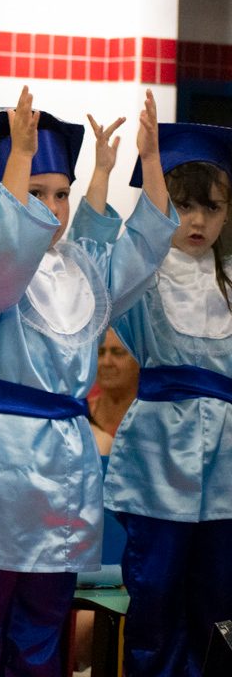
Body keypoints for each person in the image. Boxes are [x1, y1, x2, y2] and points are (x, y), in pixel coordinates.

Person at [0, 88, 177, 677]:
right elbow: (13, 243)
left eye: (61, 194)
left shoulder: (84, 272)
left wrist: (150, 166)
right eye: (35, 194)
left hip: (65, 466)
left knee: (45, 634)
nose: (52, 208)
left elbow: (143, 247)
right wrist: (17, 156)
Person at [91, 120, 232, 677]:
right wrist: (139, 166)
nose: (197, 221)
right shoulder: (141, 276)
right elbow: (104, 255)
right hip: (157, 460)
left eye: (213, 208)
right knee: (155, 595)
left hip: (226, 467)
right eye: (181, 205)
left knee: (219, 602)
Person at [87, 329, 138, 453]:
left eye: (118, 353)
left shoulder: (152, 418)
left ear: (139, 360)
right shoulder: (79, 414)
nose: (106, 362)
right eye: (100, 353)